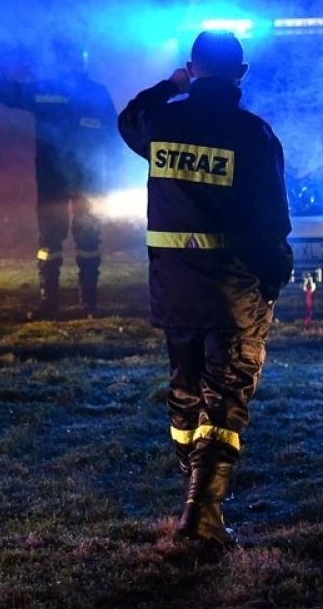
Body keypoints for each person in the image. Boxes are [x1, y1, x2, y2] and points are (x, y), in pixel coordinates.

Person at [117, 30, 292, 549]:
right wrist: (274, 278)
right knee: (225, 397)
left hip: (173, 291)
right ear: (241, 74)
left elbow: (128, 119)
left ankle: (190, 500)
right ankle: (204, 514)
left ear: (192, 69)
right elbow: (271, 221)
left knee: (185, 393)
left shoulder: (162, 121)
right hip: (231, 292)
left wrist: (169, 85)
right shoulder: (253, 134)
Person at [0, 39, 116, 318]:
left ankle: (54, 301)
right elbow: (113, 135)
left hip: (59, 177)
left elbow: (7, 93)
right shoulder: (95, 92)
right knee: (83, 239)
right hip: (82, 178)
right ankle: (85, 303)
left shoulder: (48, 90)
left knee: (54, 240)